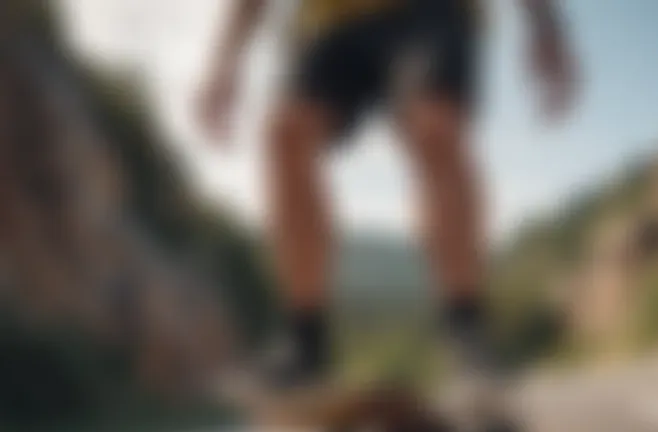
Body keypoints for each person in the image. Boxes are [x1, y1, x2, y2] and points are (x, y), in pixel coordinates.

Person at [196, 0, 577, 396]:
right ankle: (306, 345)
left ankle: (468, 334)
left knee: (433, 127)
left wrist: (545, 25)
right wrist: (224, 63)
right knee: (284, 133)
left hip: (430, 14)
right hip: (331, 22)